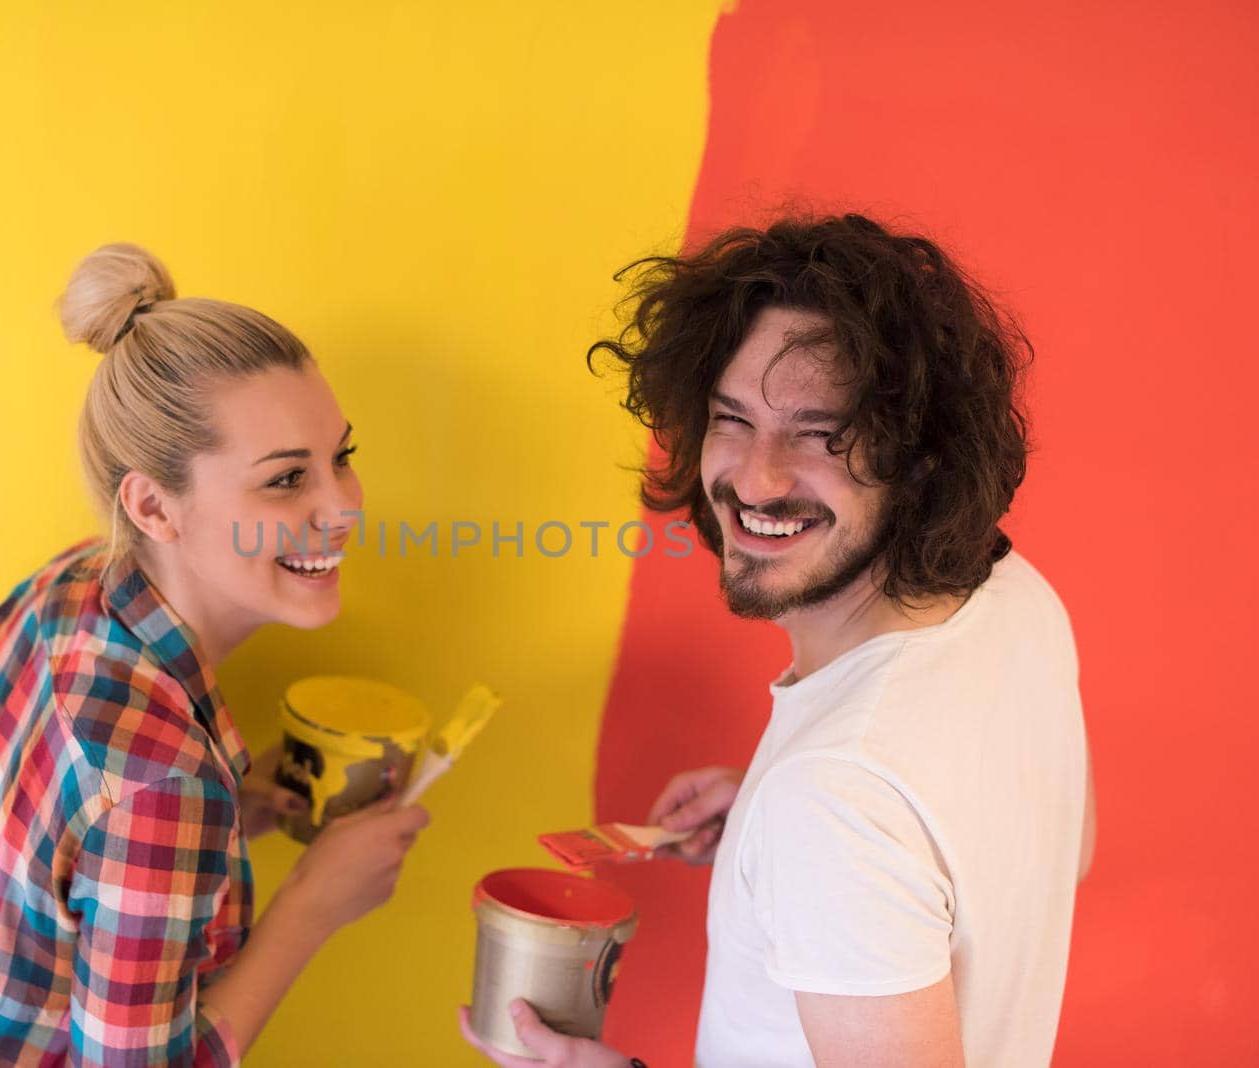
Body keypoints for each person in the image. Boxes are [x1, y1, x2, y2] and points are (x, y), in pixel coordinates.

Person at [461, 214, 1095, 1067]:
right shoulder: (1014, 599)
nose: (755, 478)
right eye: (731, 419)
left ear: (921, 460)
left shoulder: (834, 797)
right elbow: (1058, 849)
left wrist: (817, 828)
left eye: (816, 433)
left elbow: (861, 797)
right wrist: (781, 824)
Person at [0, 243, 430, 1067]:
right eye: (287, 480)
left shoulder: (65, 587)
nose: (344, 509)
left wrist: (231, 818)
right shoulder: (164, 781)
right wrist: (314, 903)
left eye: (342, 458)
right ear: (152, 505)